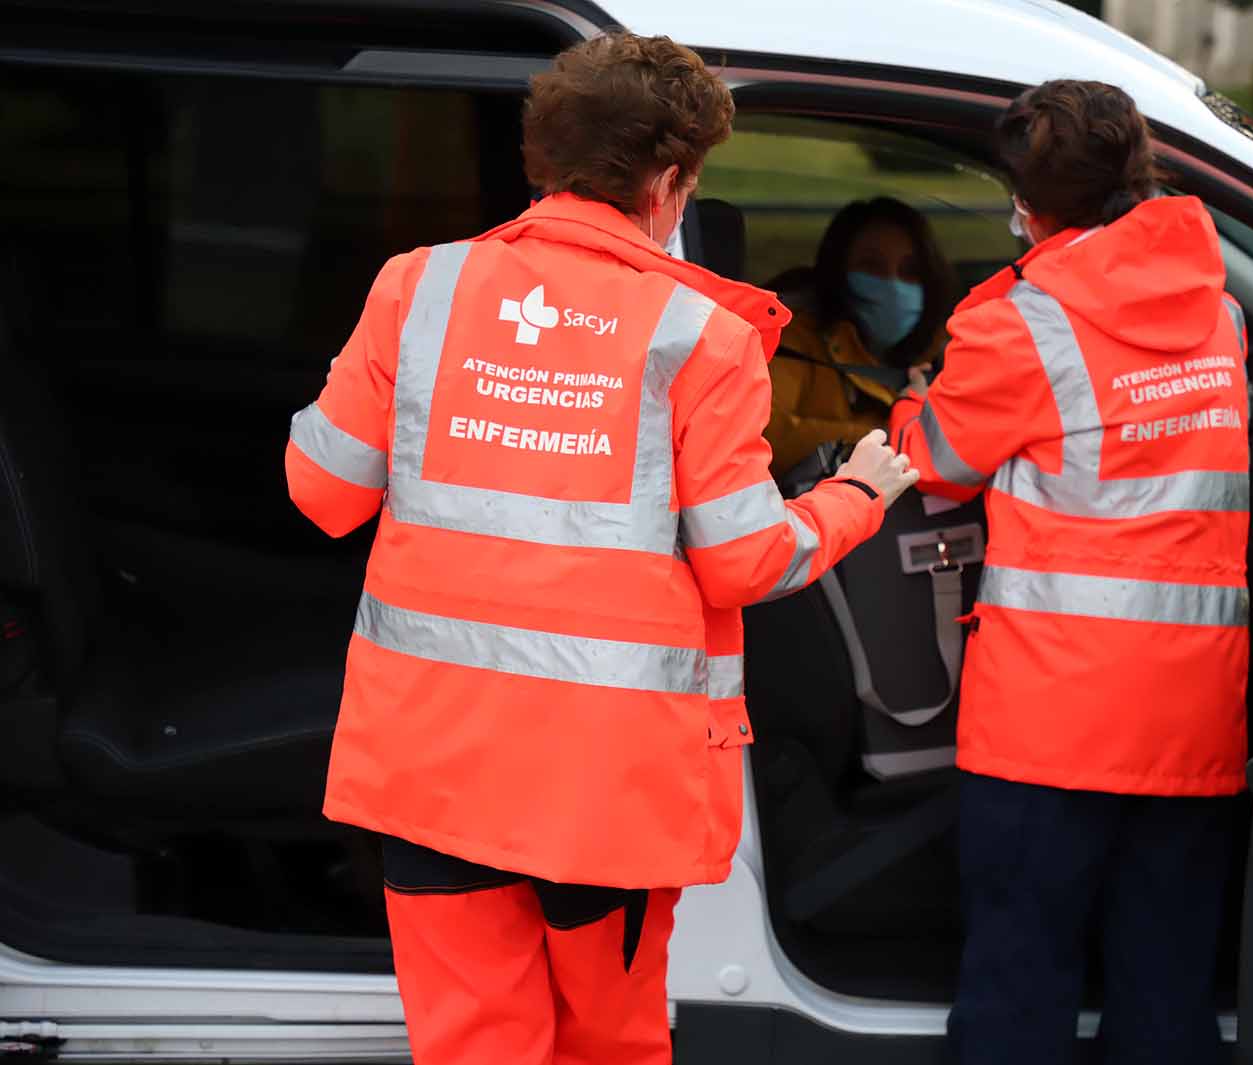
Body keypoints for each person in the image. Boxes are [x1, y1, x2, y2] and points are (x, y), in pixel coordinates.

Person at [284, 32, 918, 1065]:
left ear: (546, 157)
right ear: (671, 180)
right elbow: (746, 560)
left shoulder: (415, 291)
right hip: (604, 784)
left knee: (472, 1044)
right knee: (606, 1045)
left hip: (434, 761)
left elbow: (322, 490)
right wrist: (855, 493)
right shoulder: (698, 336)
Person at [889, 80, 1250, 1064]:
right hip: (1189, 717)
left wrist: (912, 405)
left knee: (1019, 983)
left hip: (1049, 725)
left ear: (1027, 202)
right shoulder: (1218, 313)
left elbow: (938, 465)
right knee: (1166, 995)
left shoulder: (1019, 324)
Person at [765, 197, 955, 476]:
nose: (893, 283)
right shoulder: (791, 342)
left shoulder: (948, 351)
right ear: (839, 271)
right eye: (872, 266)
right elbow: (765, 437)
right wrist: (891, 436)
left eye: (910, 271)